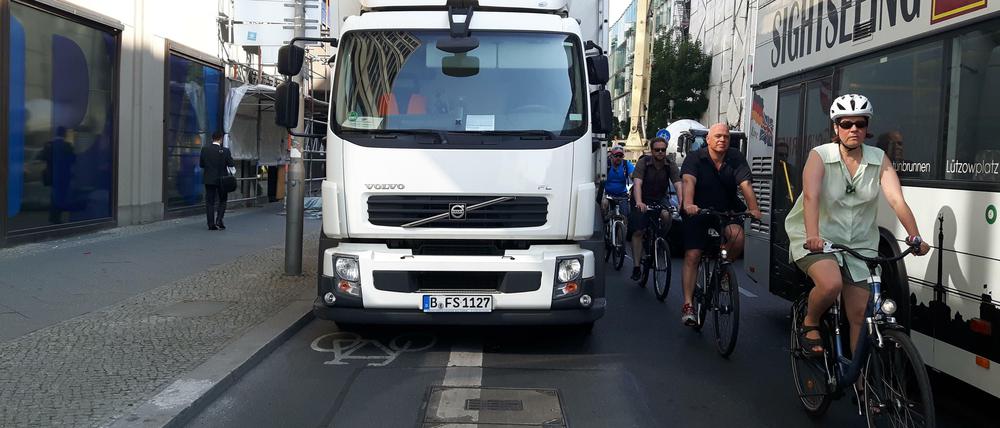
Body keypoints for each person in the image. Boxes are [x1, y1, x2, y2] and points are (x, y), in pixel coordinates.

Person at [785, 94, 929, 357]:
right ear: (836, 127)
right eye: (846, 123)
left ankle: (863, 390)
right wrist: (814, 236)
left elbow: (896, 200)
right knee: (830, 285)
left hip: (860, 242)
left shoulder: (878, 158)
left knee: (861, 316)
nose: (853, 129)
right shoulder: (820, 155)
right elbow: (811, 197)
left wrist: (915, 235)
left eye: (860, 124)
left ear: (867, 127)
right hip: (818, 235)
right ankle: (810, 321)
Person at [680, 123, 762, 325]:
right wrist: (689, 204)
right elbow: (689, 181)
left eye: (725, 136)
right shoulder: (695, 158)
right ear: (708, 139)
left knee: (738, 236)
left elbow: (746, 185)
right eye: (717, 136)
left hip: (726, 208)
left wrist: (754, 208)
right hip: (699, 209)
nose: (722, 140)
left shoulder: (735, 157)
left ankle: (723, 271)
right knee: (693, 254)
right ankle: (688, 305)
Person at [629, 137, 682, 281]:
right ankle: (636, 267)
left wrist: (682, 202)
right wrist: (639, 202)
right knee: (639, 231)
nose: (660, 152)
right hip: (641, 197)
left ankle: (659, 239)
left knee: (666, 216)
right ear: (651, 151)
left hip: (659, 197)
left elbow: (678, 184)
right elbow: (637, 184)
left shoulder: (670, 164)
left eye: (663, 150)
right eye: (657, 150)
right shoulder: (643, 163)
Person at [200, 131, 234, 231]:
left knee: (210, 202)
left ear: (212, 138)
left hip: (209, 179)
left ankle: (211, 224)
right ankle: (219, 220)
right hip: (222, 180)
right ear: (221, 139)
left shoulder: (205, 150)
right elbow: (231, 164)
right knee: (222, 200)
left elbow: (201, 164)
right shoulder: (225, 151)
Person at [602, 145, 634, 219]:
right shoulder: (606, 164)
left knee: (624, 217)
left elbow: (634, 177)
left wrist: (633, 188)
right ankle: (605, 223)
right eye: (616, 155)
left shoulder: (626, 164)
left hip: (622, 195)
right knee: (604, 205)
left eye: (621, 156)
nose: (618, 158)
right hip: (608, 194)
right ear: (611, 156)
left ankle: (622, 229)